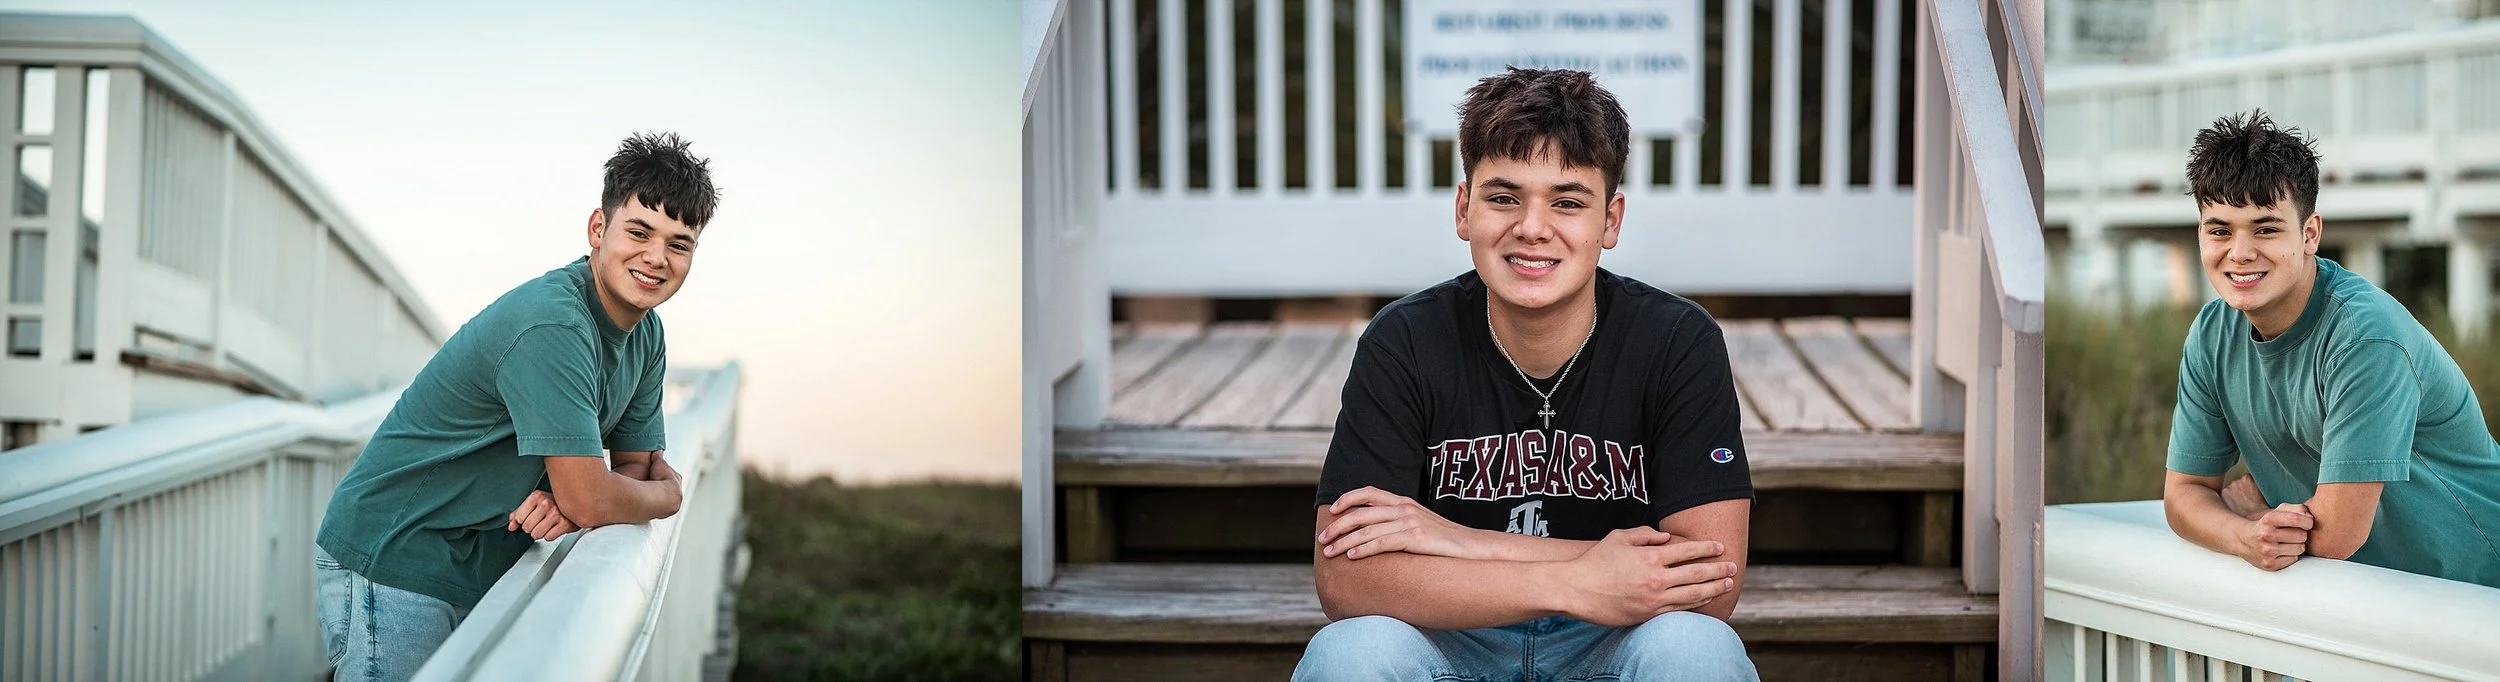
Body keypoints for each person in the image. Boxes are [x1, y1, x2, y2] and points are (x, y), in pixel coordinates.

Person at [1292, 67, 1758, 681]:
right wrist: (1576, 578)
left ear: (1610, 221)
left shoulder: (1676, 341)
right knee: (1349, 657)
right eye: (1504, 197)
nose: (1533, 227)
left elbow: (1709, 582)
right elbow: (1347, 579)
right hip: (1450, 637)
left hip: (1615, 640)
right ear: (1464, 209)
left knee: (1697, 653)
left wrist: (1457, 539)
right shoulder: (1403, 341)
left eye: (1567, 202)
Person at [310, 132, 720, 680]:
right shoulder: (554, 323)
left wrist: (571, 495)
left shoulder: (647, 335)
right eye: (640, 232)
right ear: (598, 229)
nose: (656, 258)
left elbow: (628, 470)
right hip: (398, 558)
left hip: (481, 564)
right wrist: (661, 496)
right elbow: (610, 493)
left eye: (679, 243)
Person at [2163, 110, 2500, 587]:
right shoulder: (2211, 334)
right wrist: (2244, 533)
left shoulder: (2364, 338)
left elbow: (2338, 533)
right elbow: (2184, 495)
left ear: (2309, 234)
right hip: (2383, 595)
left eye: (2265, 228)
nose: (2239, 252)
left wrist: (2258, 510)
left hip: (2479, 591)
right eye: (2219, 230)